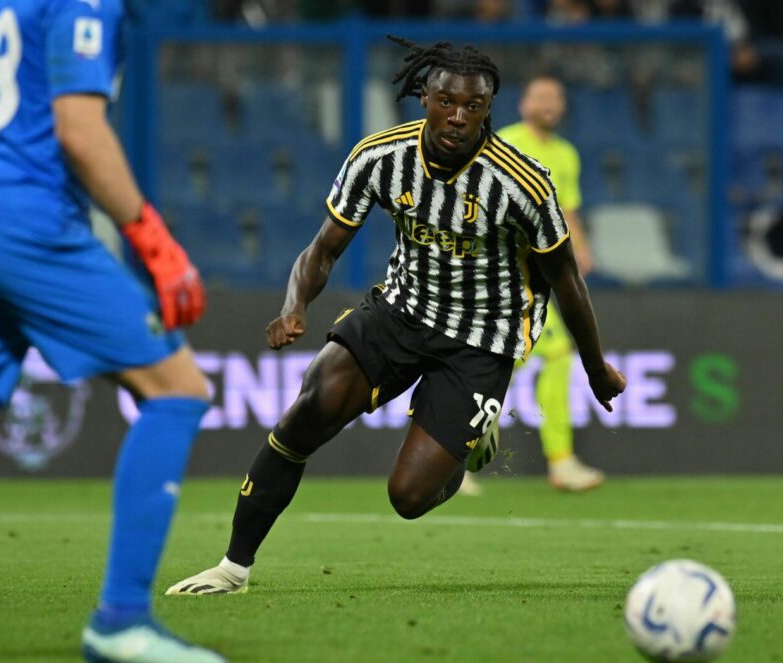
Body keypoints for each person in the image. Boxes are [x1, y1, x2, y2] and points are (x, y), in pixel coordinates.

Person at [165, 36, 627, 596]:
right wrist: (294, 306)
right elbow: (323, 248)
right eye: (446, 101)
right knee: (310, 408)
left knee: (408, 498)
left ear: (489, 109)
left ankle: (468, 445)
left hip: (482, 338)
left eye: (474, 107)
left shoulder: (521, 183)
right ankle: (234, 568)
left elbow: (566, 280)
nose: (458, 117)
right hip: (402, 309)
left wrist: (596, 367)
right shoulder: (380, 157)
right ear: (423, 96)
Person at [0, 0, 224, 663]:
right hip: (21, 218)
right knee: (177, 388)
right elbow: (79, 132)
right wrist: (155, 241)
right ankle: (122, 619)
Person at [494, 74, 605, 493]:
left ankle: (559, 462)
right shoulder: (506, 143)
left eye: (556, 97)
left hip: (532, 275)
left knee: (536, 356)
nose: (549, 104)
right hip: (500, 270)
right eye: (540, 96)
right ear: (523, 104)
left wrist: (582, 248)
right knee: (538, 355)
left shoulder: (565, 154)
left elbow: (566, 210)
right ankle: (450, 451)